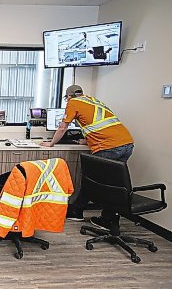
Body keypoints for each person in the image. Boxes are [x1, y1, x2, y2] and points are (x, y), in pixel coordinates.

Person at [40, 84, 134, 230]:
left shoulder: (73, 102)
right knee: (115, 184)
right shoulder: (93, 100)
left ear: (69, 96)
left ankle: (77, 211)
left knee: (91, 180)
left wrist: (51, 143)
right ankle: (107, 219)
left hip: (108, 146)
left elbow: (63, 127)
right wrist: (87, 139)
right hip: (126, 143)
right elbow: (100, 125)